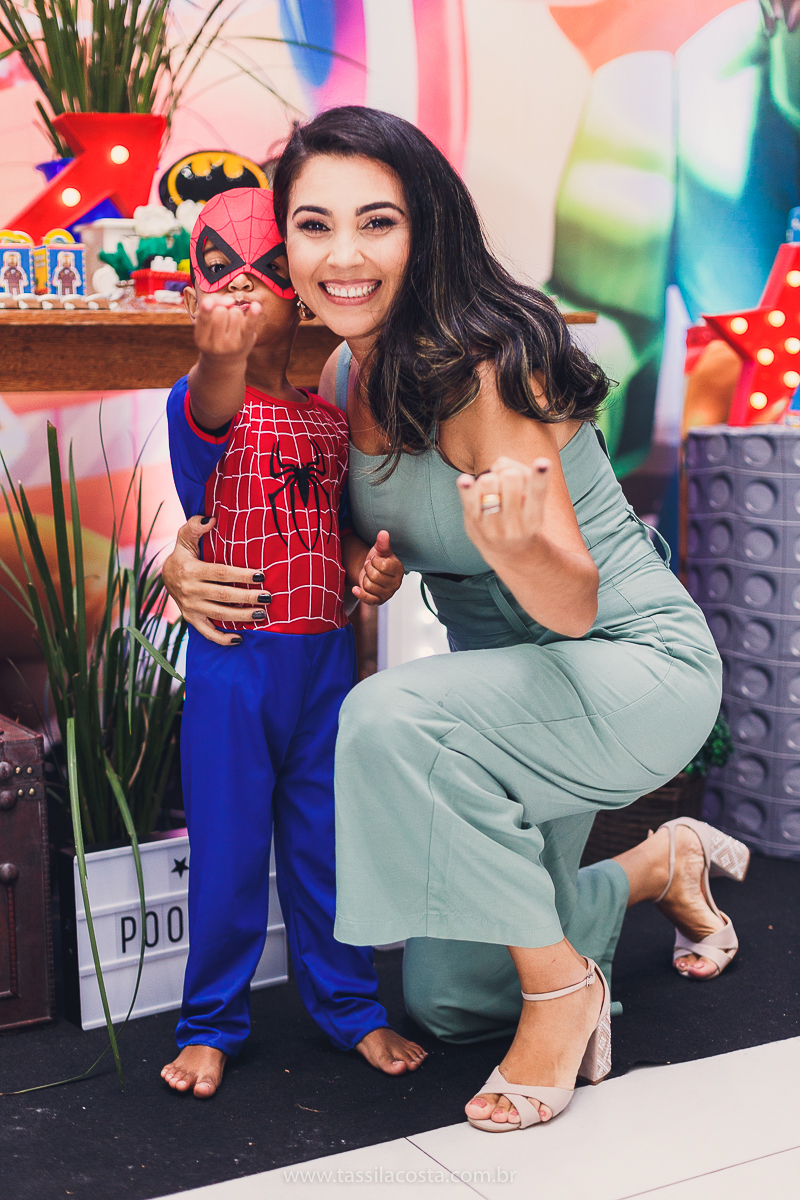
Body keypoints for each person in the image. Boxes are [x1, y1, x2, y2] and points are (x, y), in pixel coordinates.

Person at [162, 108, 749, 1130]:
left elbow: (571, 601)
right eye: (312, 225)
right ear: (286, 243)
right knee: (452, 999)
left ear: (424, 229)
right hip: (503, 701)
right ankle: (658, 865)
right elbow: (322, 541)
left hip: (618, 662)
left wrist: (517, 545)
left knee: (380, 719)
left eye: (376, 222)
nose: (342, 256)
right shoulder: (345, 374)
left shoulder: (483, 363)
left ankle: (564, 997)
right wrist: (186, 564)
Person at [161, 186, 426, 1099]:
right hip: (238, 660)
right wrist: (212, 355)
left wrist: (369, 570)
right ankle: (211, 1024)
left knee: (324, 844)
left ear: (300, 286)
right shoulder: (205, 399)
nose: (243, 292)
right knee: (230, 849)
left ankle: (350, 1007)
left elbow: (336, 526)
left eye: (264, 272)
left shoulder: (324, 414)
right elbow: (210, 409)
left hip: (323, 661)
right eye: (218, 272)